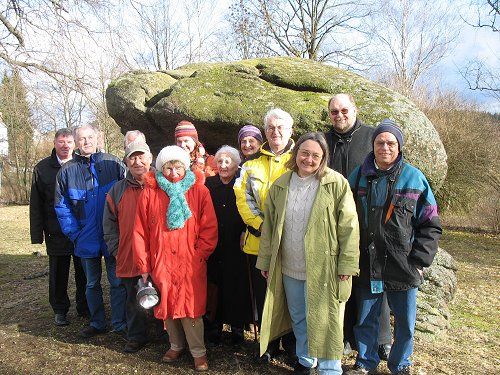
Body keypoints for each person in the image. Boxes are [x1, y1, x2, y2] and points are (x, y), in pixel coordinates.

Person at [256, 132, 359, 375]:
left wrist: (347, 265)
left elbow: (349, 227)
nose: (309, 159)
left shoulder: (336, 183)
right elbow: (269, 227)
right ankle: (306, 359)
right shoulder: (281, 185)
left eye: (315, 155)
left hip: (325, 266)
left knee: (327, 318)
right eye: (305, 153)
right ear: (296, 153)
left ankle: (329, 368)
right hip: (290, 265)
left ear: (323, 158)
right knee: (299, 317)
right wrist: (265, 260)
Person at [346, 119, 442, 375]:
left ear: (399, 146)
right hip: (367, 261)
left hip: (403, 264)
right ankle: (365, 364)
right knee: (365, 319)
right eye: (380, 142)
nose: (385, 147)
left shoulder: (415, 178)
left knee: (405, 324)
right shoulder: (358, 177)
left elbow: (430, 224)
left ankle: (400, 365)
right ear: (373, 145)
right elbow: (343, 217)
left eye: (391, 142)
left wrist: (420, 261)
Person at [133, 145, 218, 372]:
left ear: (185, 166)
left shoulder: (200, 192)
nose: (172, 172)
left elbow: (209, 228)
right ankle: (175, 345)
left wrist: (199, 255)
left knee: (192, 309)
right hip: (162, 261)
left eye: (177, 166)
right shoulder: (149, 193)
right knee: (167, 307)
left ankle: (198, 352)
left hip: (190, 261)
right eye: (167, 168)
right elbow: (139, 232)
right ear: (161, 168)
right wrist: (145, 265)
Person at [324, 93, 392, 359]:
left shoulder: (372, 136)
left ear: (355, 109)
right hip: (333, 221)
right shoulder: (324, 140)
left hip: (367, 219)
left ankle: (382, 338)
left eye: (344, 110)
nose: (339, 116)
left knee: (373, 279)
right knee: (341, 277)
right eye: (334, 112)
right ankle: (344, 336)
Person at [234, 108, 296, 363]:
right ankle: (268, 344)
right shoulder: (250, 165)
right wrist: (261, 225)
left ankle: (293, 346)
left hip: (292, 243)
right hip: (258, 243)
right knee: (265, 297)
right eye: (270, 128)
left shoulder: (300, 160)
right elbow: (243, 198)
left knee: (291, 297)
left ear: (291, 131)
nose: (275, 132)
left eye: (280, 127)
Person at [54, 124, 127, 339]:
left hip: (113, 236)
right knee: (91, 283)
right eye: (82, 138)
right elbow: (61, 205)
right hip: (85, 237)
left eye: (90, 137)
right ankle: (97, 322)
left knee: (117, 282)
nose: (86, 142)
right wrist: (74, 234)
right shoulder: (67, 170)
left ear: (97, 138)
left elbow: (126, 198)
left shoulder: (113, 163)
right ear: (76, 142)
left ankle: (120, 323)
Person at [29, 128, 88, 326]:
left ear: (74, 144)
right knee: (58, 273)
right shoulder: (42, 168)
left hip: (80, 229)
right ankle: (60, 310)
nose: (65, 145)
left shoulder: (82, 164)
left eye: (69, 142)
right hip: (55, 231)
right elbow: (35, 204)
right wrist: (37, 235)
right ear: (54, 143)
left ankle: (85, 307)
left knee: (84, 271)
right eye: (61, 142)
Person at [103, 140, 153, 353]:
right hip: (129, 254)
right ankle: (136, 336)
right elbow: (109, 224)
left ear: (150, 159)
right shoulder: (117, 191)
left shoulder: (161, 184)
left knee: (163, 294)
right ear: (126, 162)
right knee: (133, 299)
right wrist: (116, 249)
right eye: (132, 157)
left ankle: (164, 334)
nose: (137, 161)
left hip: (159, 254)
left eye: (141, 156)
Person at [205, 146, 251, 347]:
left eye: (228, 162)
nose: (223, 166)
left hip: (236, 242)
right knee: (215, 283)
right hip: (214, 242)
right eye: (220, 162)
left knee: (236, 285)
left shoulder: (241, 185)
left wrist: (245, 230)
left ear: (236, 164)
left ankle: (237, 329)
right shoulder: (208, 184)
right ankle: (214, 326)